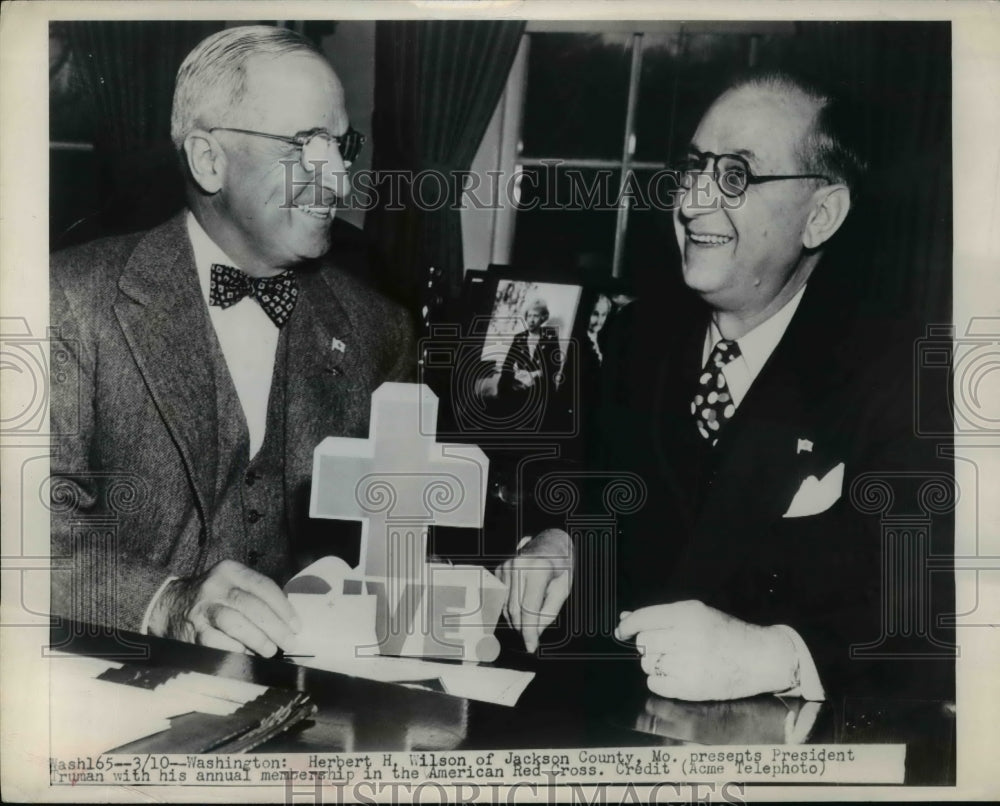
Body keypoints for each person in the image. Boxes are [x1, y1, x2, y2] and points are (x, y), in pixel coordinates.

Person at [497, 70, 953, 702]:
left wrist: (776, 657)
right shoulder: (637, 336)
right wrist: (559, 543)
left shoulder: (903, 377)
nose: (691, 202)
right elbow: (587, 487)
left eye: (735, 175)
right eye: (693, 167)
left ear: (821, 215)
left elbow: (935, 614)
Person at [49, 26, 415, 658]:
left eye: (341, 145)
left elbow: (411, 533)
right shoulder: (68, 303)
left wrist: (526, 549)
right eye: (307, 145)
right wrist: (165, 602)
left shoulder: (378, 329)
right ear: (208, 159)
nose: (339, 176)